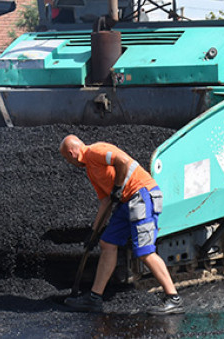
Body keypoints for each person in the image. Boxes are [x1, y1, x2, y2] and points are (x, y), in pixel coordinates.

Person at [59, 134, 183, 315]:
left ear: (71, 153)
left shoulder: (95, 151)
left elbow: (123, 161)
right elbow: (106, 202)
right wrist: (94, 232)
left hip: (142, 194)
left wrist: (118, 187)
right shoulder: (91, 170)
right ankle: (94, 298)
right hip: (126, 201)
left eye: (66, 158)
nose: (68, 162)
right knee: (107, 243)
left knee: (144, 251)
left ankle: (174, 299)